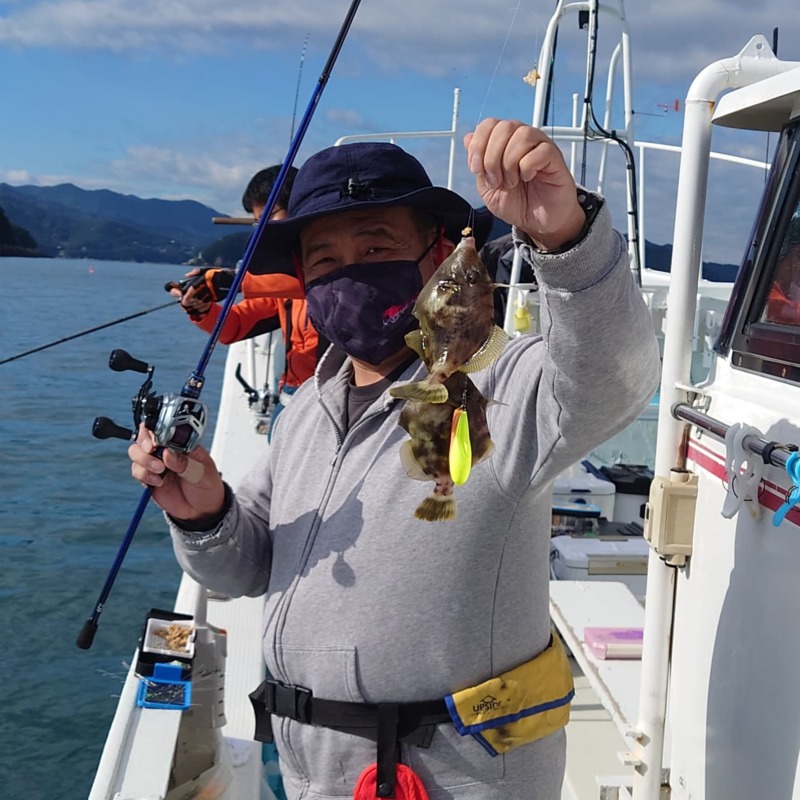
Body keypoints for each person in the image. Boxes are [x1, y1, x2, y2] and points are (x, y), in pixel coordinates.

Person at [130, 119, 661, 799]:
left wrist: (566, 238)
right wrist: (203, 513)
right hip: (318, 779)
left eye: (377, 245)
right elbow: (240, 568)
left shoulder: (496, 384)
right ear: (302, 281)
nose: (349, 272)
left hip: (451, 781)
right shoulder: (306, 414)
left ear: (435, 255)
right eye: (324, 260)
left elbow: (611, 380)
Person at [168, 166, 322, 430]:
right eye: (257, 221)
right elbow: (233, 327)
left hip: (329, 402)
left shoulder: (334, 274)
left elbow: (317, 281)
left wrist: (233, 281)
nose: (264, 229)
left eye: (270, 216)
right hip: (291, 401)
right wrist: (201, 308)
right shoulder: (278, 289)